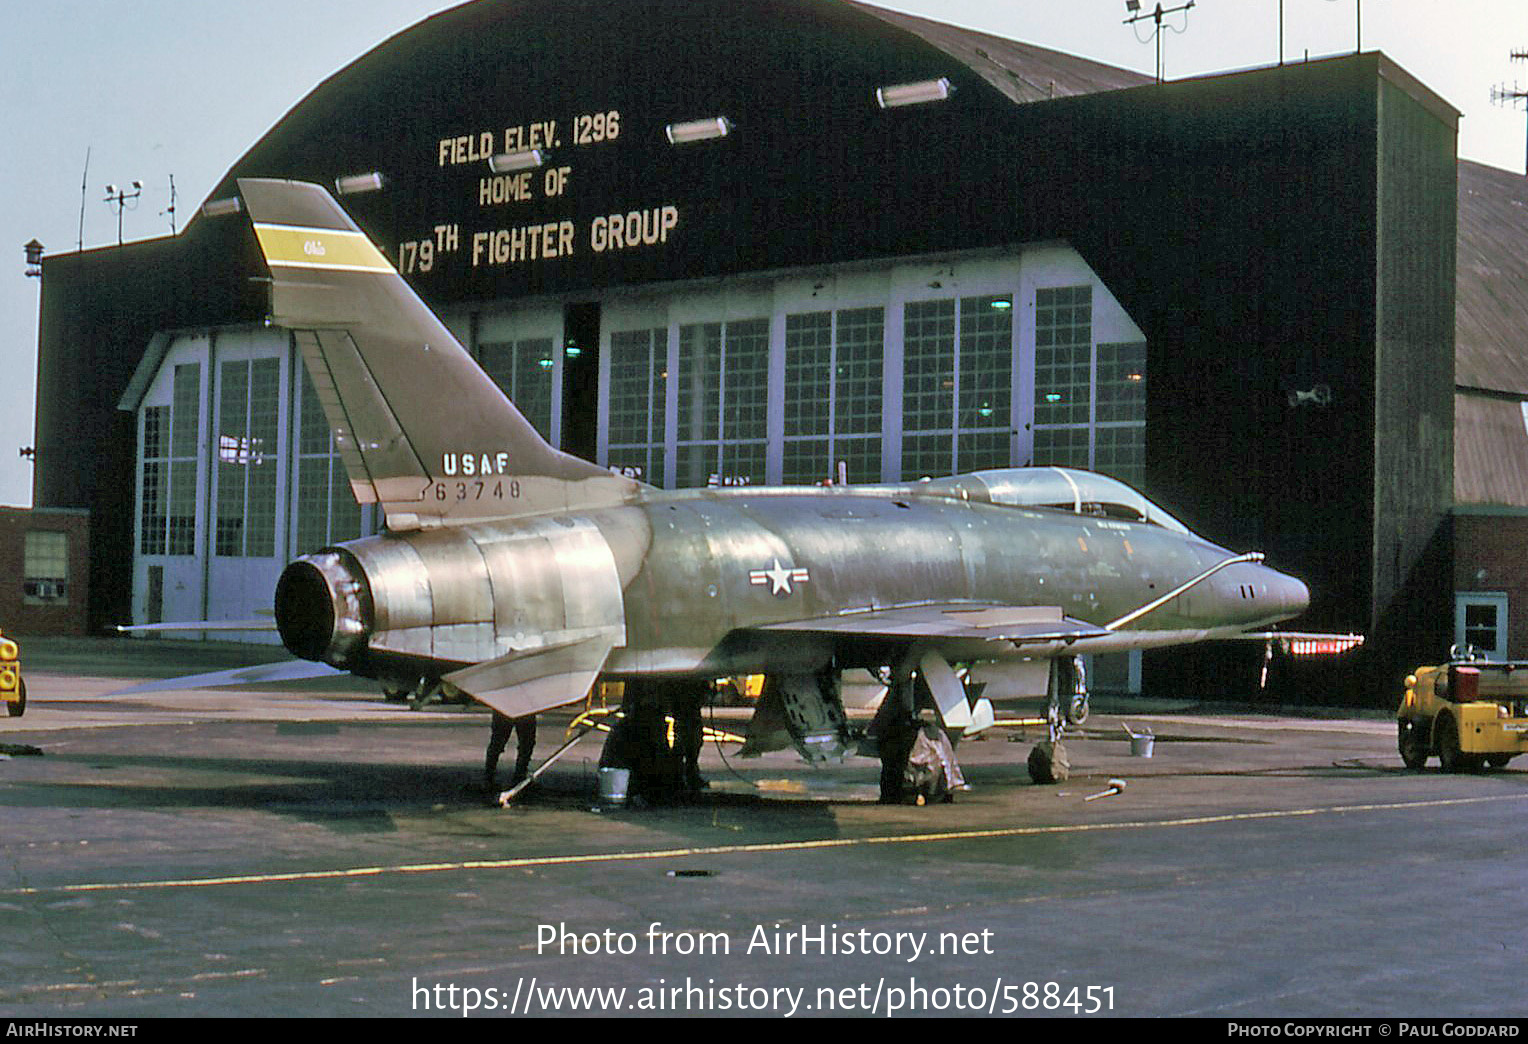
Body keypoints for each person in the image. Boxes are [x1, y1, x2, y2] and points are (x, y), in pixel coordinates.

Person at [485, 711, 537, 791]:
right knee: (498, 742)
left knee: (526, 743)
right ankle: (489, 776)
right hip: (514, 708)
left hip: (516, 708)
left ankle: (520, 775)